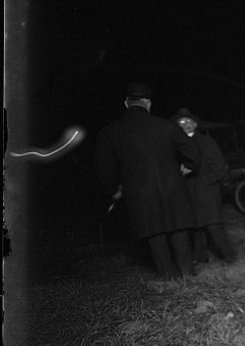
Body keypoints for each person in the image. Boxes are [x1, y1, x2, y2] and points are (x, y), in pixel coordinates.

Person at [94, 82, 200, 280]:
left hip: (140, 194)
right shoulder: (167, 126)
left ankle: (169, 276)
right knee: (178, 228)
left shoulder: (109, 132)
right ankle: (187, 272)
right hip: (173, 188)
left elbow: (103, 168)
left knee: (154, 233)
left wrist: (113, 190)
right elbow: (192, 151)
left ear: (126, 103)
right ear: (148, 104)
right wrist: (188, 166)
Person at [172, 108, 237, 265]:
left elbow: (219, 165)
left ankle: (229, 256)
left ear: (195, 124)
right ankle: (200, 254)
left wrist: (207, 182)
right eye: (181, 122)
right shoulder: (176, 144)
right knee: (197, 224)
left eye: (189, 121)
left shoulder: (206, 141)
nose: (185, 124)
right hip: (188, 190)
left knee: (212, 222)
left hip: (206, 189)